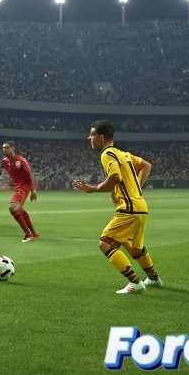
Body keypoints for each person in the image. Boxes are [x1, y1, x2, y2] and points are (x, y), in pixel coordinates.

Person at [72, 122, 162, 293]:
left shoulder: (107, 154)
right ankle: (153, 278)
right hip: (140, 206)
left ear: (101, 137)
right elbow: (146, 166)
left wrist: (93, 188)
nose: (89, 138)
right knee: (134, 247)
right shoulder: (123, 154)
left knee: (105, 244)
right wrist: (136, 188)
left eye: (91, 134)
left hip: (128, 209)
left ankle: (135, 282)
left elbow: (114, 177)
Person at [1, 141, 39, 243]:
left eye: (7, 148)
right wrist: (11, 181)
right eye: (3, 148)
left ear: (12, 149)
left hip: (24, 186)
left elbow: (30, 175)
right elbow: (7, 169)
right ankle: (34, 233)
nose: (4, 150)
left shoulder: (21, 160)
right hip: (17, 187)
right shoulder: (4, 161)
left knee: (12, 207)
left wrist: (33, 190)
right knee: (19, 209)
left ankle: (28, 234)